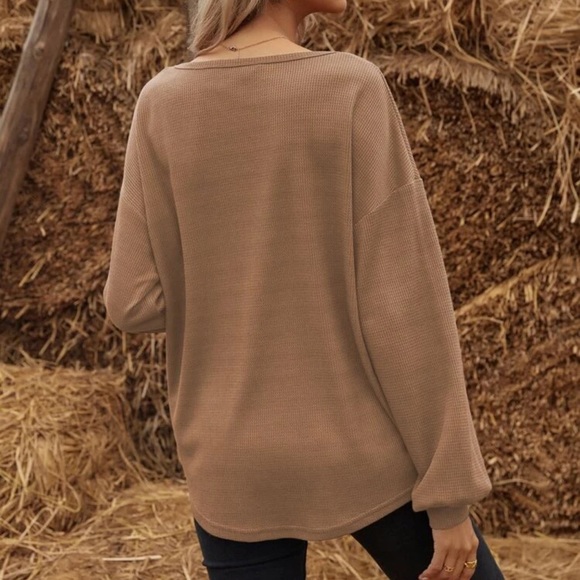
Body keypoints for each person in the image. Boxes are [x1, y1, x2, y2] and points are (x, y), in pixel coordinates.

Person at [102, 0, 506, 578]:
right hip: (357, 451)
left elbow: (131, 301)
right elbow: (404, 309)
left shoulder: (162, 101)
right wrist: (449, 496)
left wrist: (228, 282)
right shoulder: (351, 88)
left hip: (231, 465)